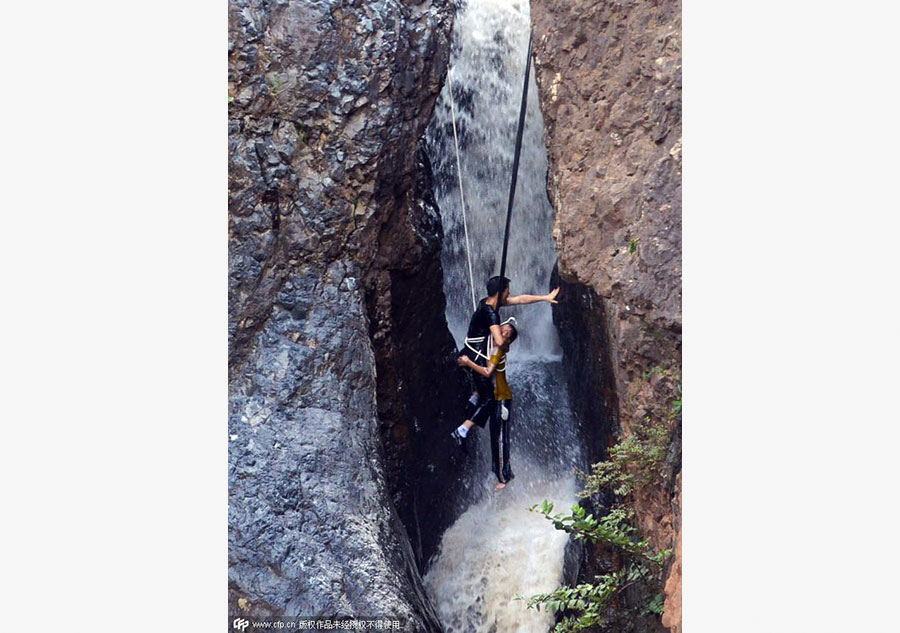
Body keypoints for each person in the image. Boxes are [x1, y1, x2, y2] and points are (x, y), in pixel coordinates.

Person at [451, 275, 558, 450]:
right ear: (500, 292)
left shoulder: (486, 303)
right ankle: (462, 429)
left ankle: (472, 400)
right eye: (507, 290)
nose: (510, 293)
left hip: (474, 351)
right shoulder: (490, 314)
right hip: (476, 355)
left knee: (483, 393)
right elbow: (499, 342)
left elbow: (521, 299)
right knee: (490, 400)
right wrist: (505, 339)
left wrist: (544, 298)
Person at [456, 322, 517, 491]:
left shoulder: (498, 351)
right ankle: (497, 470)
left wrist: (468, 362)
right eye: (501, 330)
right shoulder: (490, 347)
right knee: (494, 436)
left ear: (507, 341)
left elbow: (488, 372)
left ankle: (505, 476)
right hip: (492, 397)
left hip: (502, 398)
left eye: (505, 335)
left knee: (500, 437)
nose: (501, 335)